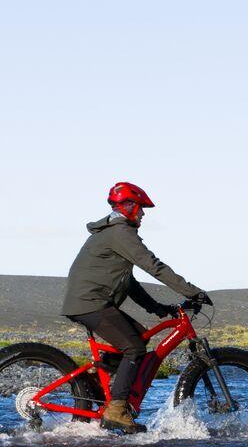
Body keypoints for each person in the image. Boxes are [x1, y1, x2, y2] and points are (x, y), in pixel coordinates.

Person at [62, 181, 211, 432]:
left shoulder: (114, 232)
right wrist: (192, 291)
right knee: (134, 348)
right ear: (128, 206)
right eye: (140, 208)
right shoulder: (120, 232)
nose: (143, 213)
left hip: (91, 301)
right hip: (90, 303)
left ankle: (95, 384)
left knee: (139, 337)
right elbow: (154, 266)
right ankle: (116, 409)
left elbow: (128, 283)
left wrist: (158, 308)